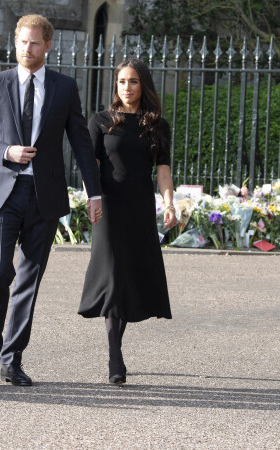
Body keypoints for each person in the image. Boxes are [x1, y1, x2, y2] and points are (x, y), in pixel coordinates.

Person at [0, 14, 102, 386]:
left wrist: (94, 191)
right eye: (22, 42)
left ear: (48, 46)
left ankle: (13, 359)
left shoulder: (64, 86)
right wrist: (5, 150)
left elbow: (81, 144)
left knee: (29, 278)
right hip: (4, 193)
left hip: (45, 196)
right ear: (15, 43)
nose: (28, 49)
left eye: (35, 43)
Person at [78, 58, 177, 385]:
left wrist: (169, 203)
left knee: (129, 276)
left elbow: (162, 168)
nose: (127, 87)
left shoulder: (157, 125)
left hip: (138, 205)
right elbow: (89, 162)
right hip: (107, 204)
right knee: (112, 276)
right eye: (122, 81)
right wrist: (91, 196)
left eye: (133, 81)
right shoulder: (101, 121)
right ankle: (114, 356)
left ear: (143, 85)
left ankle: (115, 348)